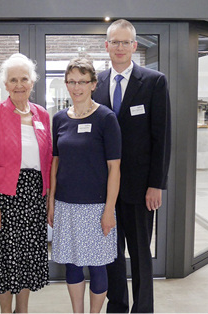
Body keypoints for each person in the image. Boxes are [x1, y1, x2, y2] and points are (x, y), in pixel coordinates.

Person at [92, 19, 171, 313]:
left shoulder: (153, 82)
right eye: (115, 41)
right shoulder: (95, 83)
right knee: (111, 254)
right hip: (104, 191)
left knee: (139, 254)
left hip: (140, 190)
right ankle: (118, 306)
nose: (120, 47)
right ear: (107, 46)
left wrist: (156, 184)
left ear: (135, 46)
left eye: (126, 42)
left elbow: (162, 137)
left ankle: (143, 308)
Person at [0, 53, 52, 313]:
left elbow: (49, 162)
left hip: (34, 196)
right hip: (4, 196)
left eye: (24, 79)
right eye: (13, 80)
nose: (19, 84)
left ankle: (23, 310)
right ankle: (6, 311)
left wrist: (48, 199)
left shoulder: (42, 115)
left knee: (28, 258)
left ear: (32, 82)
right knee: (5, 259)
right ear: (5, 85)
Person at [48, 57, 121, 313]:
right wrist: (51, 202)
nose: (76, 87)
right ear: (66, 84)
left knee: (97, 265)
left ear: (93, 84)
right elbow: (55, 164)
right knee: (72, 265)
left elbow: (114, 168)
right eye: (71, 81)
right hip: (66, 205)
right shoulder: (58, 119)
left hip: (96, 207)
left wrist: (109, 209)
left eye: (82, 81)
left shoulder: (105, 118)